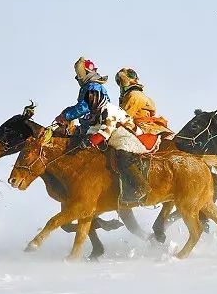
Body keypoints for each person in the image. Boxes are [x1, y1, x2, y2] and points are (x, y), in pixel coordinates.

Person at [55, 58, 151, 203]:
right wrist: (85, 137)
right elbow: (94, 127)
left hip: (124, 135)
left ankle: (140, 187)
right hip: (111, 133)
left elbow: (106, 130)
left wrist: (90, 140)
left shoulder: (108, 109)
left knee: (122, 156)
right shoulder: (97, 113)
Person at [115, 67, 172, 138]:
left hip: (143, 129)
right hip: (151, 127)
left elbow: (123, 116)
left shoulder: (133, 95)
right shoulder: (141, 95)